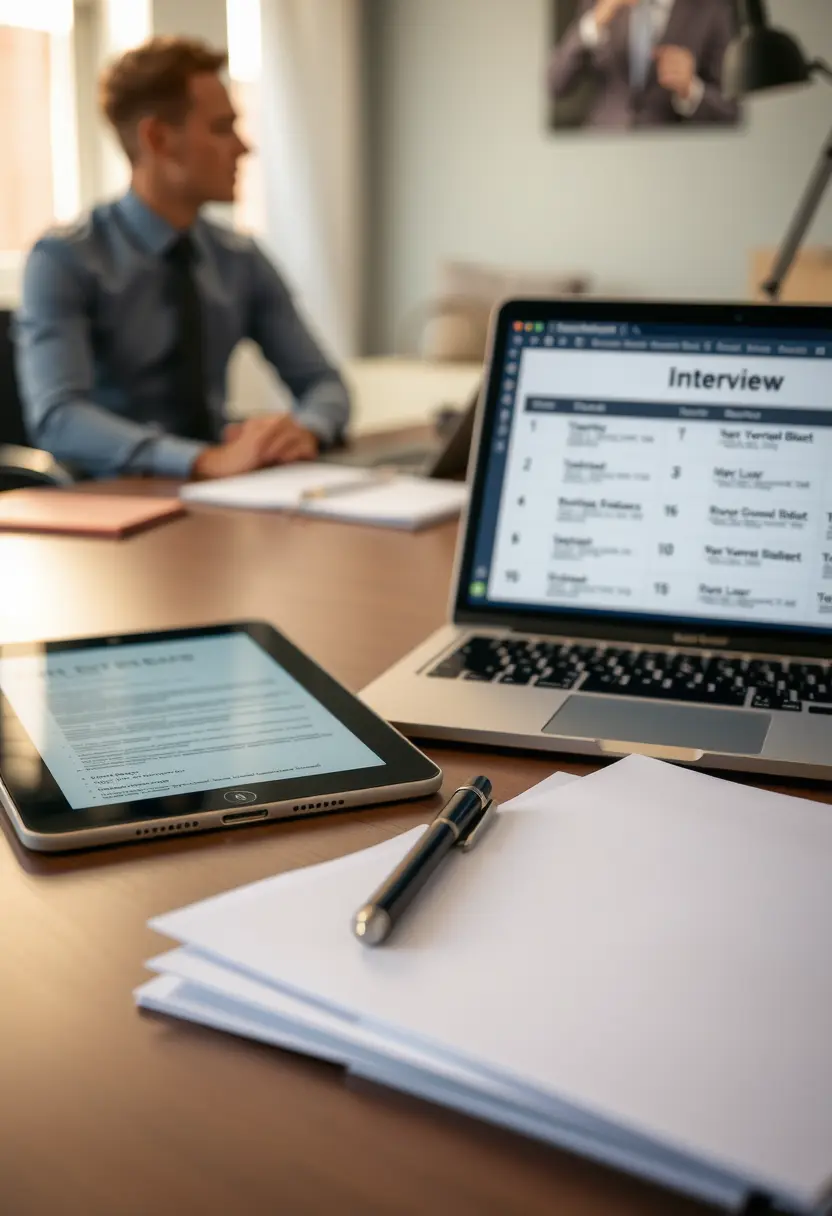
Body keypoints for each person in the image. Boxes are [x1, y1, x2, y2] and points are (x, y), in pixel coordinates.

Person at [14, 37, 351, 481]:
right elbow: (59, 417)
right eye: (221, 127)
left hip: (223, 494)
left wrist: (305, 428)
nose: (243, 147)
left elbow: (325, 385)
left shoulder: (240, 258)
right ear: (157, 137)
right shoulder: (64, 260)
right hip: (109, 506)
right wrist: (198, 460)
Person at [548, 0, 740, 130]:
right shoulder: (597, 4)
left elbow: (732, 112)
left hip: (672, 157)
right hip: (602, 146)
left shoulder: (712, 9)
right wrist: (594, 23)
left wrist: (691, 89)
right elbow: (555, 84)